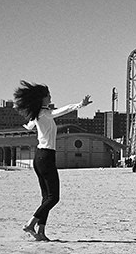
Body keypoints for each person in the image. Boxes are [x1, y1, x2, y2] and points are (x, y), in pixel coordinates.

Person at [13, 81, 91, 241]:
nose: (50, 97)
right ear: (42, 99)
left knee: (46, 197)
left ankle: (41, 232)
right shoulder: (46, 114)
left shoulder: (37, 115)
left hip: (39, 157)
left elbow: (29, 126)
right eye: (48, 96)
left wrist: (30, 126)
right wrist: (80, 105)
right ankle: (30, 224)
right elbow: (64, 110)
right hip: (46, 157)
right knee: (54, 197)